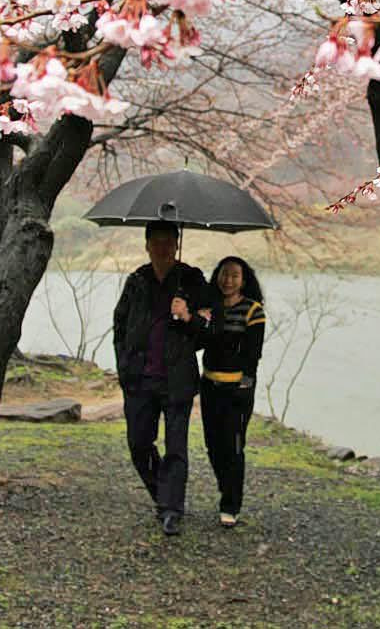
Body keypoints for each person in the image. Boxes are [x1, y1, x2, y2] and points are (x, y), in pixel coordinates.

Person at [111, 220, 214, 536]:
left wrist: (187, 316)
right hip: (140, 379)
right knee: (138, 444)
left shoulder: (192, 280)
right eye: (156, 241)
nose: (163, 248)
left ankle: (172, 510)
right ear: (147, 245)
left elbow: (209, 330)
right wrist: (125, 367)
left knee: (176, 447)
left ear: (176, 243)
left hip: (177, 380)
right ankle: (162, 494)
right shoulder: (137, 281)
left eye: (169, 241)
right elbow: (120, 325)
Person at [198, 255, 266, 528]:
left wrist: (245, 384)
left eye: (235, 275)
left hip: (237, 388)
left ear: (244, 280)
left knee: (234, 447)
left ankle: (230, 505)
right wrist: (197, 320)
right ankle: (227, 487)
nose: (228, 280)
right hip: (209, 385)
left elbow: (253, 353)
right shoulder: (209, 308)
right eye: (224, 274)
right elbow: (199, 342)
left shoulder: (253, 310)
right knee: (213, 445)